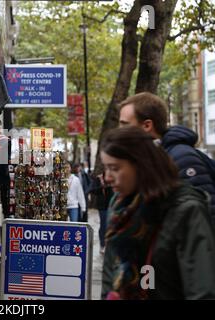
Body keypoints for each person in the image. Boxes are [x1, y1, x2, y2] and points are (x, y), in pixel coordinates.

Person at [100, 126, 215, 300]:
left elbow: (201, 290)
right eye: (106, 168)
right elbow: (110, 274)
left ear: (141, 165)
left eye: (114, 168)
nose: (107, 178)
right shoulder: (120, 210)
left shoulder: (186, 211)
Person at [119, 92, 215, 224]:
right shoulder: (150, 159)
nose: (119, 130)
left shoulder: (182, 158)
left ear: (147, 126)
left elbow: (206, 217)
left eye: (125, 124)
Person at [88, 171, 114, 254]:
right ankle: (102, 245)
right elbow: (92, 190)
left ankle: (109, 245)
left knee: (110, 225)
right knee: (104, 225)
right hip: (102, 206)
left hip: (112, 205)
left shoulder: (113, 178)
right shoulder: (99, 179)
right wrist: (102, 187)